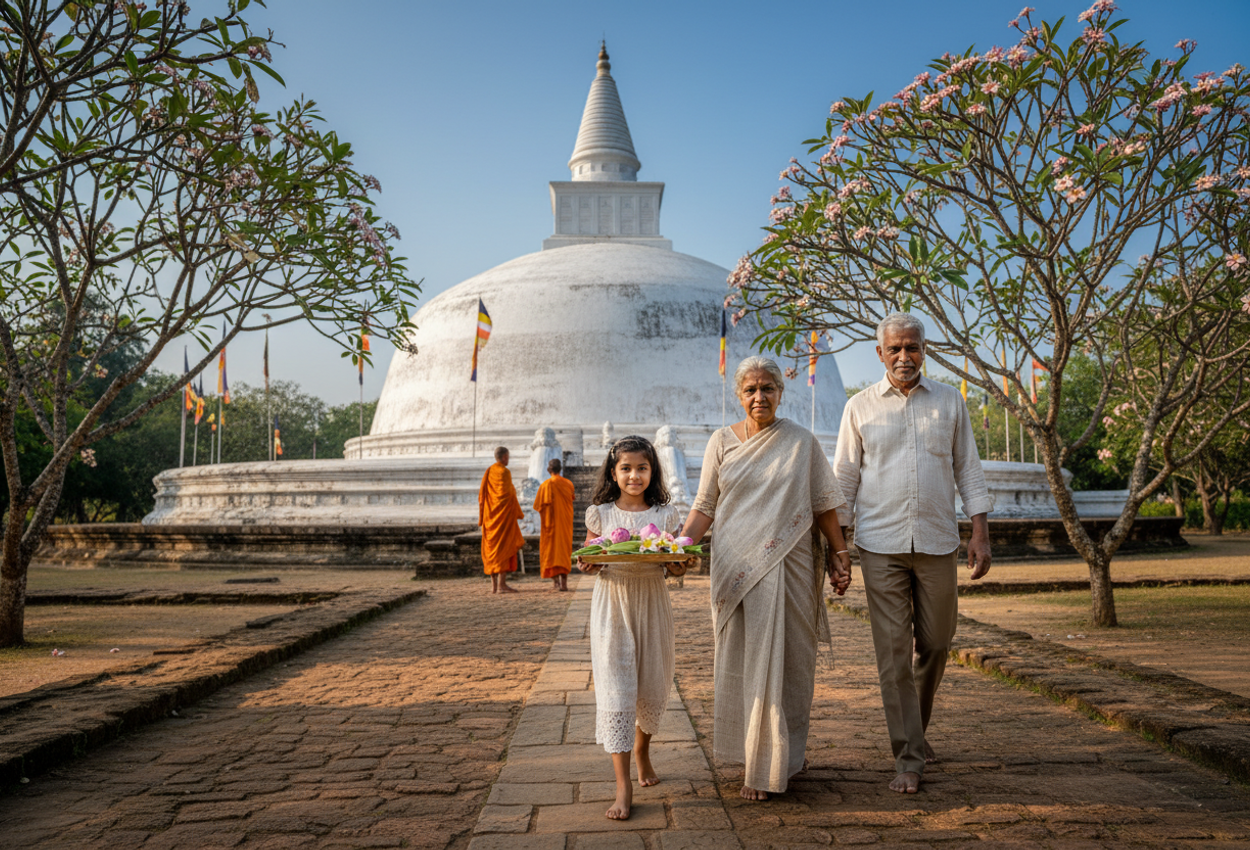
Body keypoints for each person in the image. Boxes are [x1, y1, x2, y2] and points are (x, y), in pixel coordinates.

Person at [834, 312, 992, 795]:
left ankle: (914, 733)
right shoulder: (859, 407)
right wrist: (837, 547)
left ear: (926, 350)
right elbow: (844, 477)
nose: (905, 357)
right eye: (895, 349)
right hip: (879, 544)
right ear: (879, 354)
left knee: (939, 643)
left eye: (913, 348)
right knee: (894, 656)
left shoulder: (949, 402)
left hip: (938, 540)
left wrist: (980, 532)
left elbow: (968, 468)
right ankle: (909, 755)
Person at [680, 356, 852, 801]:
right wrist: (680, 547)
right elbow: (704, 507)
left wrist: (840, 553)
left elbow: (824, 504)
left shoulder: (801, 442)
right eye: (751, 390)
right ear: (739, 396)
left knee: (792, 663)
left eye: (768, 388)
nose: (760, 396)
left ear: (781, 392)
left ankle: (786, 756)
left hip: (791, 566)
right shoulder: (721, 442)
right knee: (744, 661)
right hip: (735, 568)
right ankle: (755, 762)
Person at [581, 435, 682, 820]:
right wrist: (587, 563)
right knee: (617, 687)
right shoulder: (601, 514)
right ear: (613, 472)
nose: (634, 475)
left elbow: (673, 562)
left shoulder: (664, 516)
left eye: (642, 468)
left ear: (652, 472)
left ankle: (642, 748)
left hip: (652, 601)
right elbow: (590, 556)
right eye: (626, 468)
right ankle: (623, 784)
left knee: (652, 682)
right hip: (613, 603)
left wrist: (678, 564)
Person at [478, 445, 526, 594]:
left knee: (492, 549)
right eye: (508, 456)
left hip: (489, 517)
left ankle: (494, 586)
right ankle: (502, 584)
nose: (508, 459)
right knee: (503, 548)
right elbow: (506, 496)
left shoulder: (489, 471)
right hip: (502, 518)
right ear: (504, 457)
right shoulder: (504, 472)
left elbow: (482, 496)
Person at [534, 457, 575, 592]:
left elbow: (538, 507)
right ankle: (564, 583)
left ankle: (556, 583)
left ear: (548, 470)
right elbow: (571, 499)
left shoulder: (545, 485)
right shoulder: (568, 484)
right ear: (560, 469)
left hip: (550, 526)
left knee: (551, 552)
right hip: (564, 524)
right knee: (563, 552)